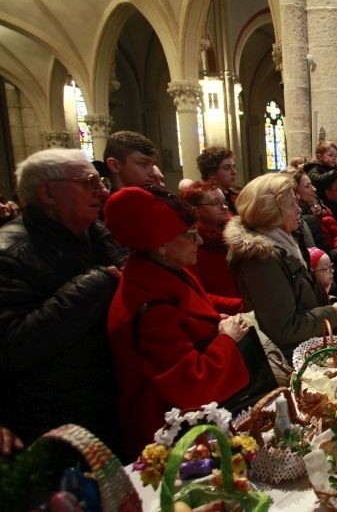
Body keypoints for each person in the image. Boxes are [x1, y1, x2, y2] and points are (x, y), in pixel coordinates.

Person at [105, 185, 249, 460]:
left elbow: (193, 314)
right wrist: (226, 339)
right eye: (191, 235)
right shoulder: (152, 305)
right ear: (161, 243)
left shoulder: (164, 272)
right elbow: (191, 384)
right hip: (173, 438)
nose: (200, 242)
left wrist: (214, 322)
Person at [0, 149, 125, 452]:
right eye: (88, 182)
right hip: (57, 421)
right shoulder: (9, 253)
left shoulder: (94, 233)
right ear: (48, 193)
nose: (101, 190)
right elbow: (13, 344)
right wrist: (96, 283)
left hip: (108, 402)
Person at [225, 173, 337, 361]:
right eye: (292, 204)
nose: (298, 210)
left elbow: (302, 297)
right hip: (290, 360)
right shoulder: (261, 258)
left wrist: (334, 309)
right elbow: (285, 328)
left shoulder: (286, 243)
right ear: (272, 210)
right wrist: (331, 314)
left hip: (307, 351)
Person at [179, 180, 241, 299]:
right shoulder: (192, 243)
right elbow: (198, 294)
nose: (224, 207)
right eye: (215, 203)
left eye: (224, 202)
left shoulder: (236, 236)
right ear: (195, 208)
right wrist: (243, 305)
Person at [196, 145, 240, 215]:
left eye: (234, 167)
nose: (234, 172)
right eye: (227, 168)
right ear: (212, 174)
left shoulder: (237, 195)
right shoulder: (204, 200)